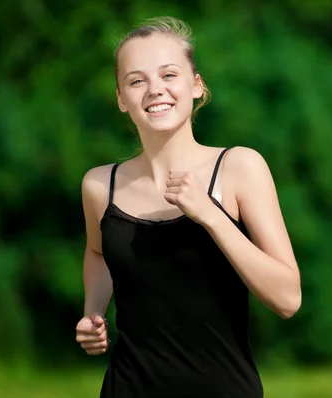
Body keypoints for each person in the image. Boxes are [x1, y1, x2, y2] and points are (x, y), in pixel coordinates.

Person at [74, 16, 301, 398]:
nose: (154, 90)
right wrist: (93, 311)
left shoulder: (239, 168)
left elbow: (288, 299)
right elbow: (97, 252)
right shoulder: (100, 186)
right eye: (137, 80)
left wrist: (211, 214)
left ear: (196, 86)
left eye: (168, 75)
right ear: (120, 99)